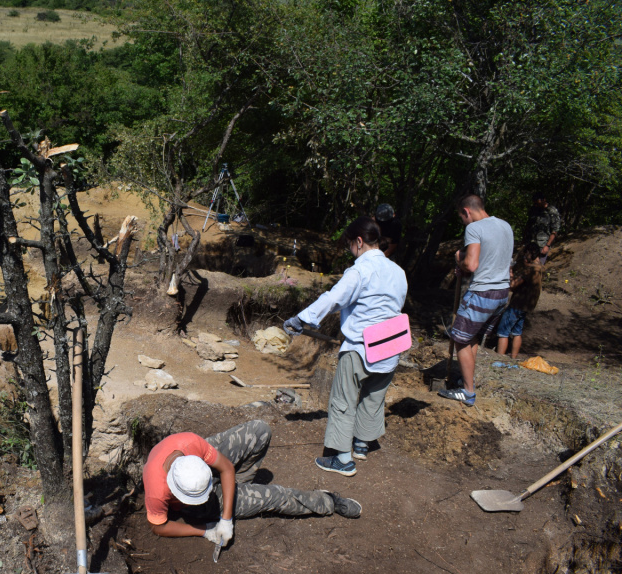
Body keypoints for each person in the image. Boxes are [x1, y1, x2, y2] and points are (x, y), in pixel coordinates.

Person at [284, 217, 408, 476]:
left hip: (360, 347)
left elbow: (333, 299)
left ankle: (342, 459)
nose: (351, 249)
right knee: (373, 397)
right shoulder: (398, 271)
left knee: (343, 400)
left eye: (351, 244)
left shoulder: (359, 271)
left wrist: (301, 319)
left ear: (359, 241)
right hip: (391, 344)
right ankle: (361, 444)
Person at [143, 420, 361, 548]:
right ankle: (328, 501)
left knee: (260, 430)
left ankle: (241, 490)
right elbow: (158, 527)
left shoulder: (189, 443)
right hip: (197, 508)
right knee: (275, 497)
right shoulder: (157, 490)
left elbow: (226, 468)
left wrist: (226, 519)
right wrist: (204, 530)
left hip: (203, 474)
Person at [438, 195, 513, 406]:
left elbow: (471, 265)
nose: (463, 222)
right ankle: (466, 380)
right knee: (472, 338)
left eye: (462, 217)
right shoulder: (505, 226)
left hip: (482, 292)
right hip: (502, 293)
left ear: (466, 211)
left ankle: (468, 392)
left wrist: (459, 261)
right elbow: (494, 257)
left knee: (460, 339)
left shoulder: (474, 228)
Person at [496, 244, 543, 360]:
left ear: (529, 254)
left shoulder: (530, 270)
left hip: (517, 304)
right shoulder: (540, 268)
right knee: (517, 332)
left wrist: (510, 271)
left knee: (503, 332)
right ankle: (513, 358)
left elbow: (512, 286)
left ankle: (498, 359)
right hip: (526, 306)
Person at [524, 192, 560, 265]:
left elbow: (555, 230)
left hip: (542, 244)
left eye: (538, 203)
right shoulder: (533, 210)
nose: (536, 205)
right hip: (531, 243)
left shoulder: (552, 211)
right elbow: (529, 225)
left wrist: (547, 245)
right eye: (535, 203)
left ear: (544, 200)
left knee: (538, 267)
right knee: (527, 266)